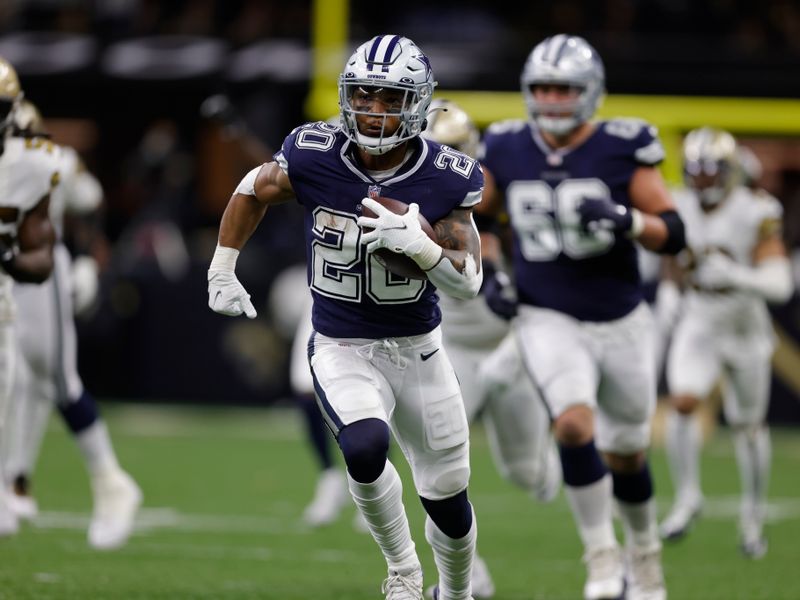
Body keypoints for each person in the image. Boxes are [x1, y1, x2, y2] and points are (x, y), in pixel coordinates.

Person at [208, 35, 483, 600]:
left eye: (388, 98)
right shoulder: (314, 151)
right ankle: (403, 574)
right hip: (341, 342)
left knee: (448, 496)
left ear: (417, 103)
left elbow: (469, 281)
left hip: (418, 347)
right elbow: (252, 188)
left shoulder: (445, 174)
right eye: (363, 95)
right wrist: (222, 266)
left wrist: (424, 246)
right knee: (362, 448)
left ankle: (454, 592)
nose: (373, 111)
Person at [477, 35, 686, 600]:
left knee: (627, 452)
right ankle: (601, 558)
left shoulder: (624, 144)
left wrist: (626, 221)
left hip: (620, 319)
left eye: (563, 88)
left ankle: (645, 556)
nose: (551, 99)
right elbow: (475, 221)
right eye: (542, 87)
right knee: (572, 425)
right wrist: (493, 272)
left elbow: (672, 232)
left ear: (589, 92)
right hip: (547, 315)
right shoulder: (504, 144)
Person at [421, 99, 562, 600]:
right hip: (449, 344)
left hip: (511, 342)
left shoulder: (507, 195)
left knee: (527, 474)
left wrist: (515, 299)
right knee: (437, 468)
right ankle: (467, 579)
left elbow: (548, 278)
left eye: (454, 153)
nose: (443, 166)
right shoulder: (401, 194)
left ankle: (556, 463)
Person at [2, 99, 142, 550]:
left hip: (34, 275)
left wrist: (86, 262)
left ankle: (110, 482)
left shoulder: (47, 160)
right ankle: (12, 483)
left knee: (54, 379)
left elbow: (88, 209)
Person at [659, 128, 793, 559]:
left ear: (730, 171)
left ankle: (752, 515)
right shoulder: (677, 202)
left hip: (745, 325)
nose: (702, 179)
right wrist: (669, 292)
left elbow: (781, 285)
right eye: (695, 171)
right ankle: (687, 497)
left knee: (748, 425)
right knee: (681, 401)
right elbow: (672, 258)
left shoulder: (754, 211)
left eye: (711, 170)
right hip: (699, 318)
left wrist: (735, 276)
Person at [0, 57, 60, 536]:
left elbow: (40, 256)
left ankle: (15, 478)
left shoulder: (32, 163)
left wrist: (9, 257)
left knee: (32, 377)